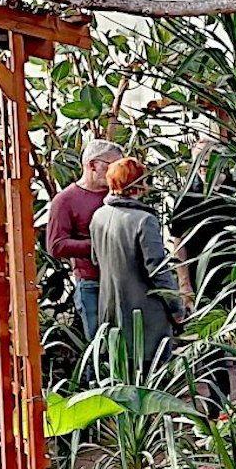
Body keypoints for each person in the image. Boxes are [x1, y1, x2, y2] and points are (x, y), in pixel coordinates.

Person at [89, 157, 188, 370]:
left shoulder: (98, 217)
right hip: (145, 318)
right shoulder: (144, 220)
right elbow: (157, 269)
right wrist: (176, 308)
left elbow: (96, 259)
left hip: (111, 314)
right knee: (150, 383)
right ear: (139, 184)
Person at [44, 138, 124, 338]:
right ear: (92, 165)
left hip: (126, 281)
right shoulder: (65, 200)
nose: (117, 173)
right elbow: (56, 245)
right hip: (91, 283)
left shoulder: (120, 195)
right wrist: (100, 246)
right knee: (100, 346)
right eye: (112, 166)